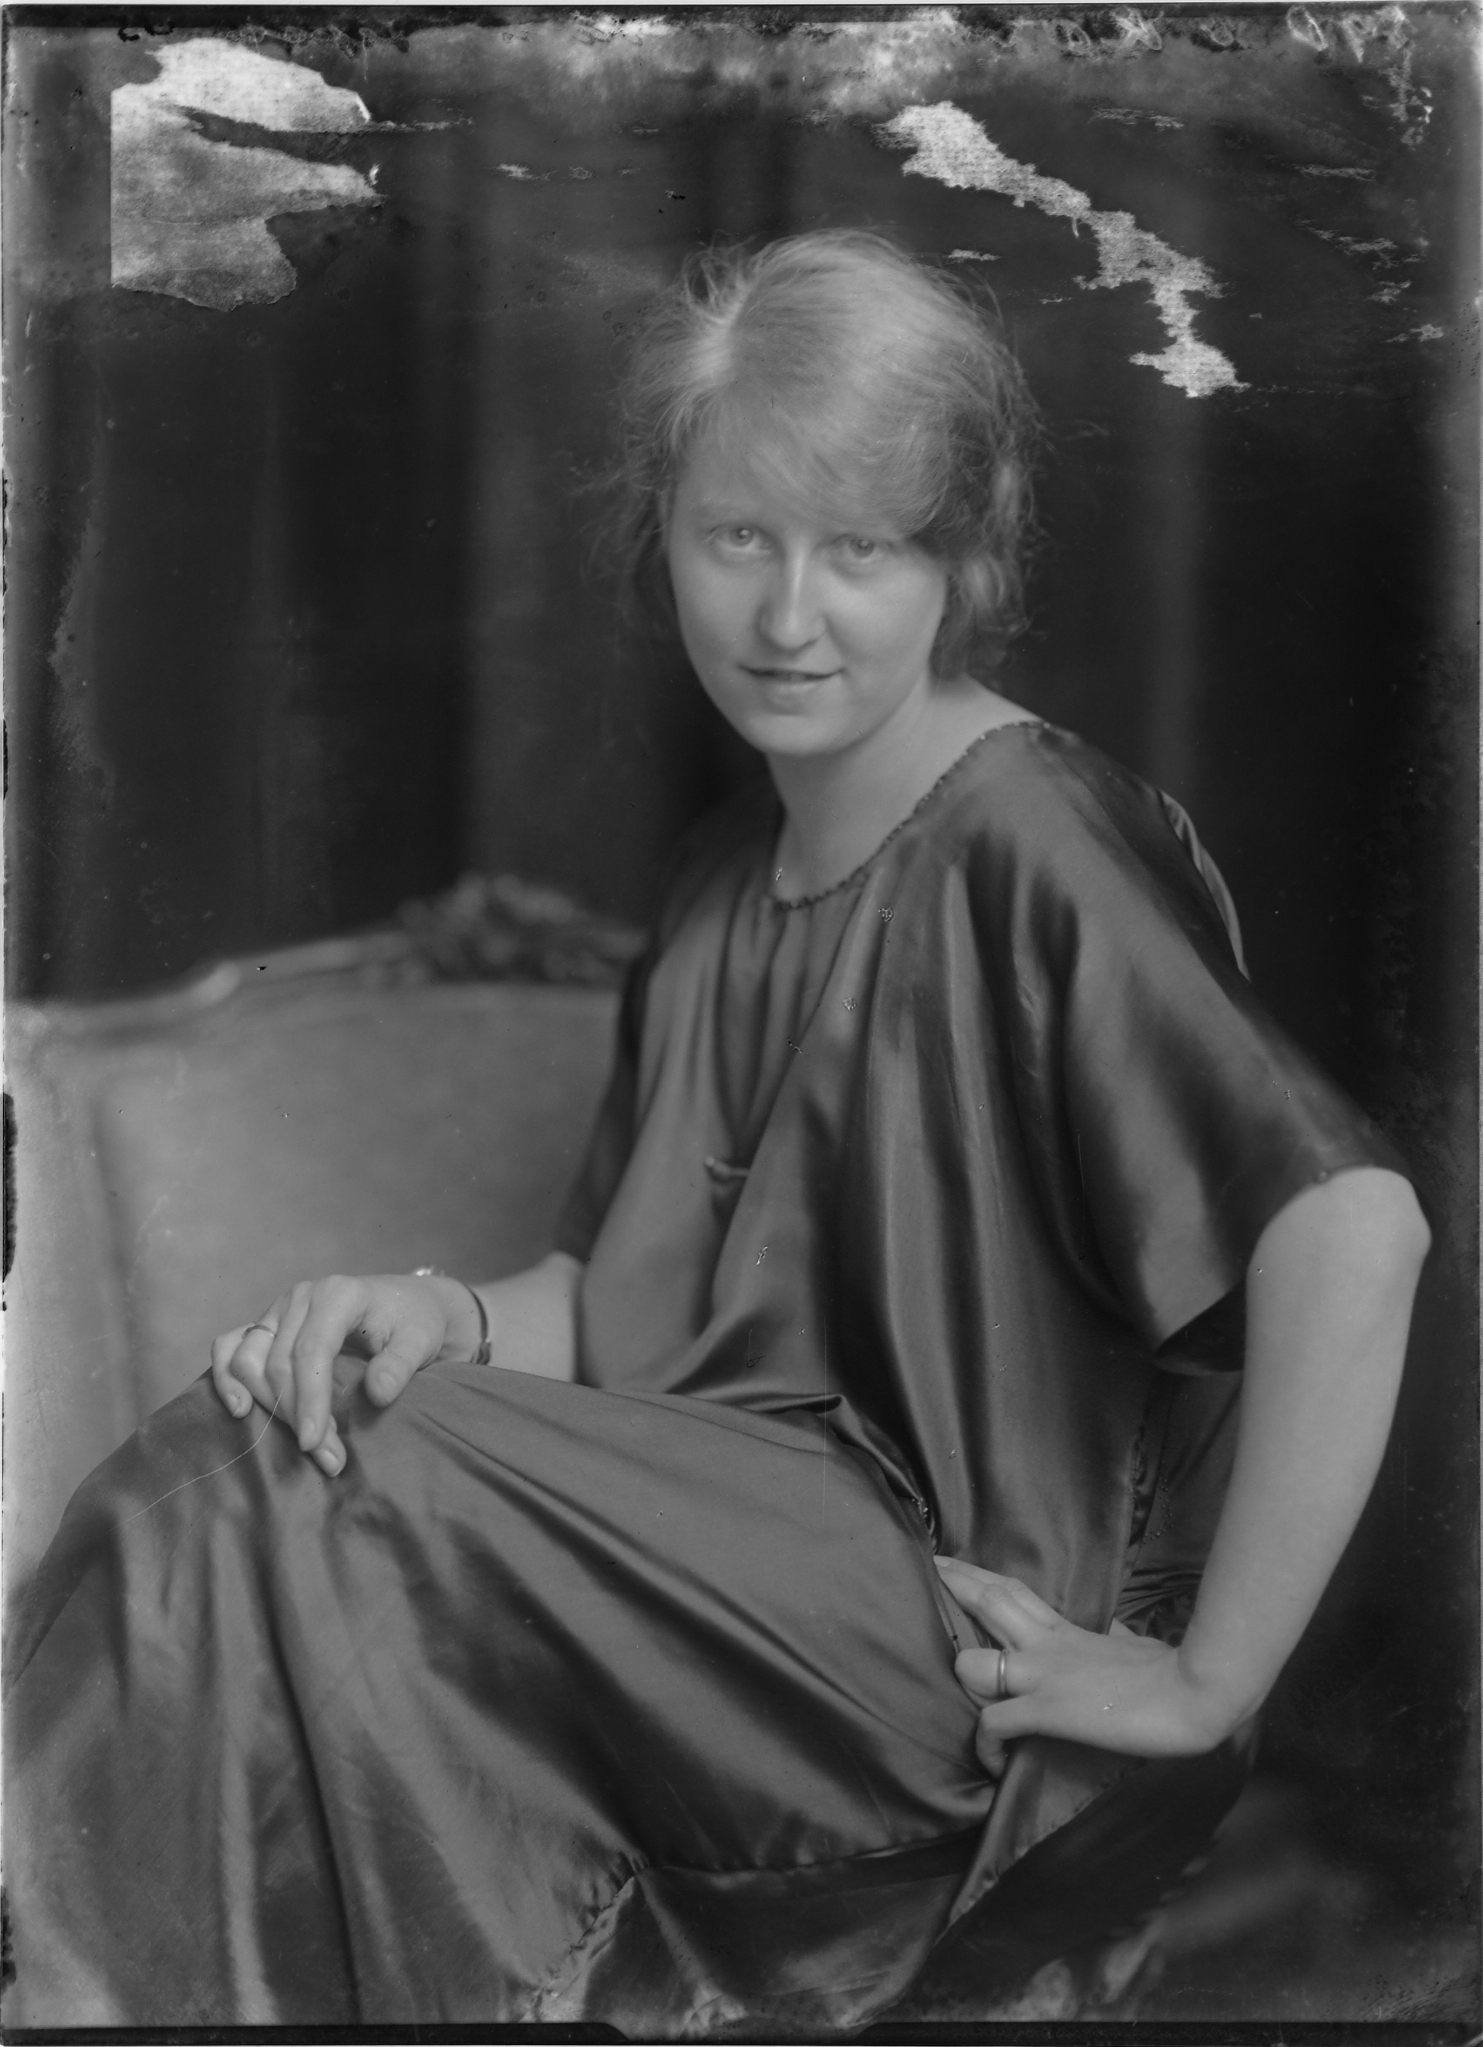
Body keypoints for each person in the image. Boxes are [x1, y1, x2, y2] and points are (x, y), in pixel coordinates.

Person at [5, 231, 1430, 2032]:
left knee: (289, 1491)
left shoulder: (1032, 836)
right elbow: (622, 1302)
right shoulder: (718, 887)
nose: (787, 616)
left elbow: (1357, 1226)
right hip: (713, 1596)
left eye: (865, 549)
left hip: (936, 1636)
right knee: (252, 1466)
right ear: (661, 534)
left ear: (963, 562)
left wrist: (1209, 1680)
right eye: (739, 535)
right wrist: (433, 1308)